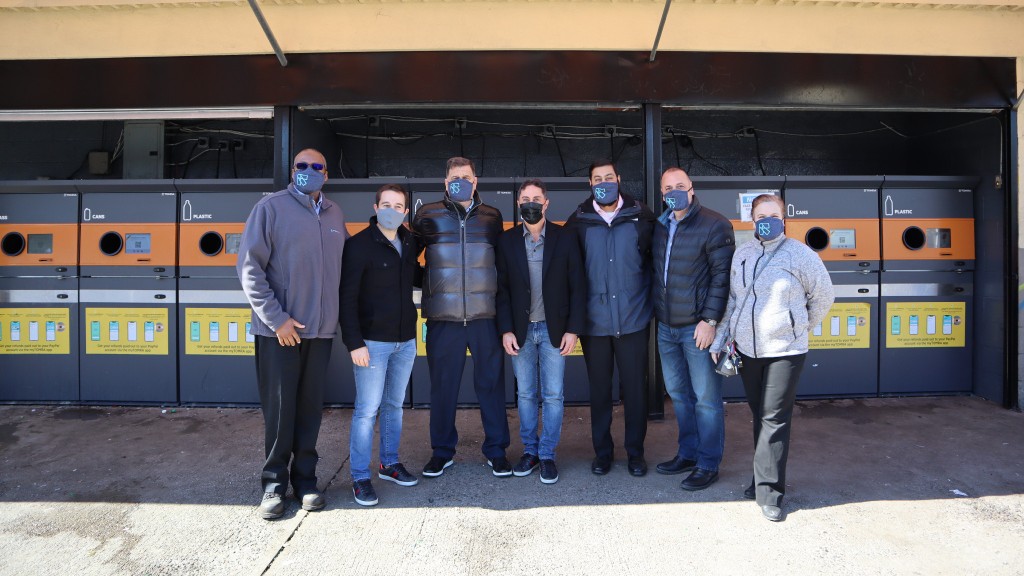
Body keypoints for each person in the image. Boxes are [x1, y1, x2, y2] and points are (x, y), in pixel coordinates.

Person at [237, 148, 346, 520]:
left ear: (326, 174)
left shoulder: (334, 214)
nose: (309, 171)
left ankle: (306, 481)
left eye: (317, 166)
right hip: (279, 332)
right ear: (292, 170)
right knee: (281, 410)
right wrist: (276, 319)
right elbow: (250, 268)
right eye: (302, 166)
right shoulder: (270, 208)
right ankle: (273, 484)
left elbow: (340, 272)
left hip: (320, 332)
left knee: (310, 410)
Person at [711, 193, 834, 522]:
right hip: (749, 350)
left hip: (785, 351)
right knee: (761, 415)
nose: (767, 221)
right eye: (760, 216)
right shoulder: (743, 254)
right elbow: (734, 300)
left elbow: (823, 295)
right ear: (752, 220)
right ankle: (760, 477)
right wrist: (722, 338)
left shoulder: (800, 255)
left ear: (784, 220)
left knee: (774, 418)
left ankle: (771, 494)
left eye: (773, 215)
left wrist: (799, 326)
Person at [411, 157, 511, 477]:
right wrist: (428, 282)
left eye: (465, 177)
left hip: (485, 317)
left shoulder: (492, 217)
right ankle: (442, 451)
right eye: (454, 177)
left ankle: (496, 451)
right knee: (443, 389)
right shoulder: (427, 215)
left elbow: (502, 262)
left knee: (492, 387)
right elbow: (406, 259)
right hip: (444, 319)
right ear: (445, 182)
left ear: (475, 181)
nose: (460, 181)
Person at [566, 158, 656, 477]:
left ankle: (635, 453)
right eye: (596, 178)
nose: (603, 182)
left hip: (633, 321)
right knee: (600, 393)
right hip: (595, 325)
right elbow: (571, 275)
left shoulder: (641, 216)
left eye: (608, 176)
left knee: (635, 392)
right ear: (590, 184)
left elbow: (653, 265)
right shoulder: (578, 221)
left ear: (618, 178)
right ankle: (603, 453)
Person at [496, 179, 586, 485]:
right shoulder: (506, 241)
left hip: (554, 330)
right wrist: (506, 329)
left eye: (536, 198)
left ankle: (547, 455)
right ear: (518, 203)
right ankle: (530, 452)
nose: (531, 203)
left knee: (553, 395)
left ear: (546, 203)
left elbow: (578, 287)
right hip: (521, 331)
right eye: (525, 198)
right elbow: (502, 291)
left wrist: (573, 330)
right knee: (525, 395)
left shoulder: (565, 237)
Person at [652, 167, 735, 491]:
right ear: (662, 195)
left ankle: (708, 463)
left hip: (697, 329)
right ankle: (687, 453)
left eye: (680, 186)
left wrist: (710, 321)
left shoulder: (715, 224)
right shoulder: (660, 226)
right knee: (679, 396)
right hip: (666, 327)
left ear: (691, 188)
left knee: (706, 400)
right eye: (668, 188)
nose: (674, 192)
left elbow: (722, 278)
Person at [339, 184, 421, 507]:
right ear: (375, 208)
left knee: (393, 406)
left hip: (405, 341)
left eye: (397, 205)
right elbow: (346, 298)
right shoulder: (358, 246)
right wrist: (354, 342)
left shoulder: (410, 242)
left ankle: (389, 463)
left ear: (405, 212)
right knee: (366, 411)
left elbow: (417, 276)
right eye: (385, 203)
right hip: (371, 344)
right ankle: (360, 476)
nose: (391, 209)